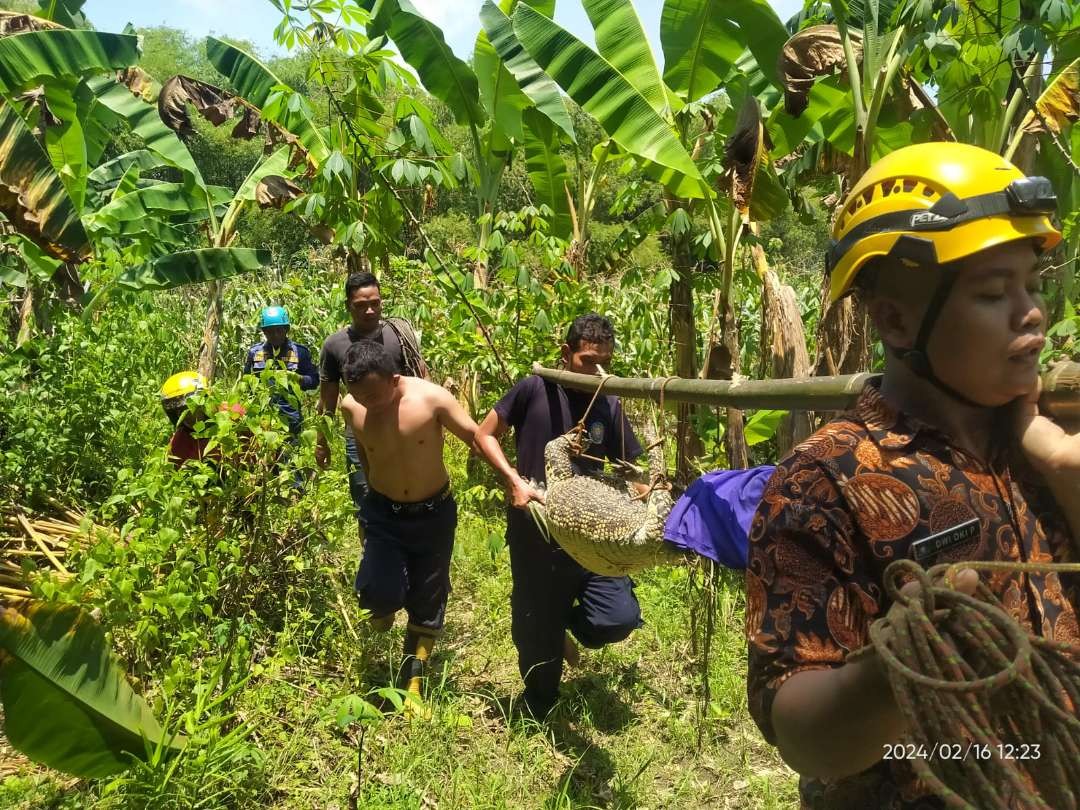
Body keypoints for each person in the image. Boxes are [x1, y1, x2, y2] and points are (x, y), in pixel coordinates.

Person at [744, 142, 1080, 808]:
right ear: (895, 318)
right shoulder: (826, 479)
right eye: (993, 292)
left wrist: (1060, 459)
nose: (1031, 311)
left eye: (1032, 285)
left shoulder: (1045, 438)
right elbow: (802, 733)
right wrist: (906, 666)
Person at [474, 314, 646, 719]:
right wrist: (513, 480)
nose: (599, 371)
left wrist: (647, 497)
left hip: (592, 537)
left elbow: (633, 466)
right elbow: (484, 434)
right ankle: (539, 692)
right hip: (537, 531)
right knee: (538, 662)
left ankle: (559, 626)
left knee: (616, 620)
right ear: (566, 354)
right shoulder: (534, 390)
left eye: (606, 361)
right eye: (589, 361)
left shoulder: (609, 402)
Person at [340, 340, 504, 701]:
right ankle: (383, 610)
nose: (367, 403)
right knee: (377, 594)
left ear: (394, 379)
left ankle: (412, 686)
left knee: (427, 599)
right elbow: (368, 459)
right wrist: (369, 505)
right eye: (359, 396)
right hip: (384, 512)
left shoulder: (431, 400)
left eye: (374, 395)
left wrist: (511, 478)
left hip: (433, 513)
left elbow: (477, 438)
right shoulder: (351, 407)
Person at [316, 272, 428, 527]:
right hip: (360, 436)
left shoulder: (400, 336)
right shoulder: (334, 345)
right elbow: (328, 398)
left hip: (404, 429)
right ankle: (372, 556)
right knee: (366, 502)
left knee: (410, 494)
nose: (369, 311)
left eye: (375, 303)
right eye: (361, 305)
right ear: (348, 306)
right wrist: (322, 442)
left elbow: (423, 381)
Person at [243, 305, 318, 437]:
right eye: (270, 331)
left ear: (286, 329)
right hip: (262, 418)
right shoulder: (255, 353)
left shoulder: (299, 352)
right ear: (264, 332)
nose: (275, 335)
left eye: (279, 330)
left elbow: (314, 381)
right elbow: (246, 383)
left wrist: (298, 378)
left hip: (290, 418)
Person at [160, 370, 247, 467]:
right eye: (183, 412)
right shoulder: (180, 441)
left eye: (195, 408)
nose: (189, 415)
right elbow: (174, 471)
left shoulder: (235, 415)